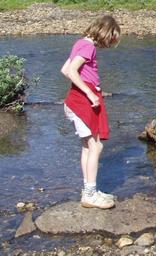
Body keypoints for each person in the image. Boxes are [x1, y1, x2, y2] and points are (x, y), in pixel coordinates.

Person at [61, 15, 121, 210]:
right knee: (95, 147)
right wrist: (90, 92)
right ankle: (89, 194)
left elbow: (64, 69)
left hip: (77, 101)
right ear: (105, 32)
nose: (109, 43)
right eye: (111, 38)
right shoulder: (89, 47)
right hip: (82, 102)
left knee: (88, 147)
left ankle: (89, 190)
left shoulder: (79, 43)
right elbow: (71, 71)